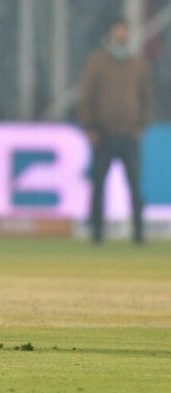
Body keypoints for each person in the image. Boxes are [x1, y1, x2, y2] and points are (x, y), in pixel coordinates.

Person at [79, 18, 153, 244]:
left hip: (129, 134)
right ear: (110, 34)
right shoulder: (97, 63)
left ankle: (139, 233)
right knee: (99, 186)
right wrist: (90, 127)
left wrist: (141, 125)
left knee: (134, 186)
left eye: (125, 32)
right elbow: (87, 96)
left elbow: (146, 97)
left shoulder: (137, 64)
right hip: (103, 134)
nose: (122, 35)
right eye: (119, 31)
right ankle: (97, 233)